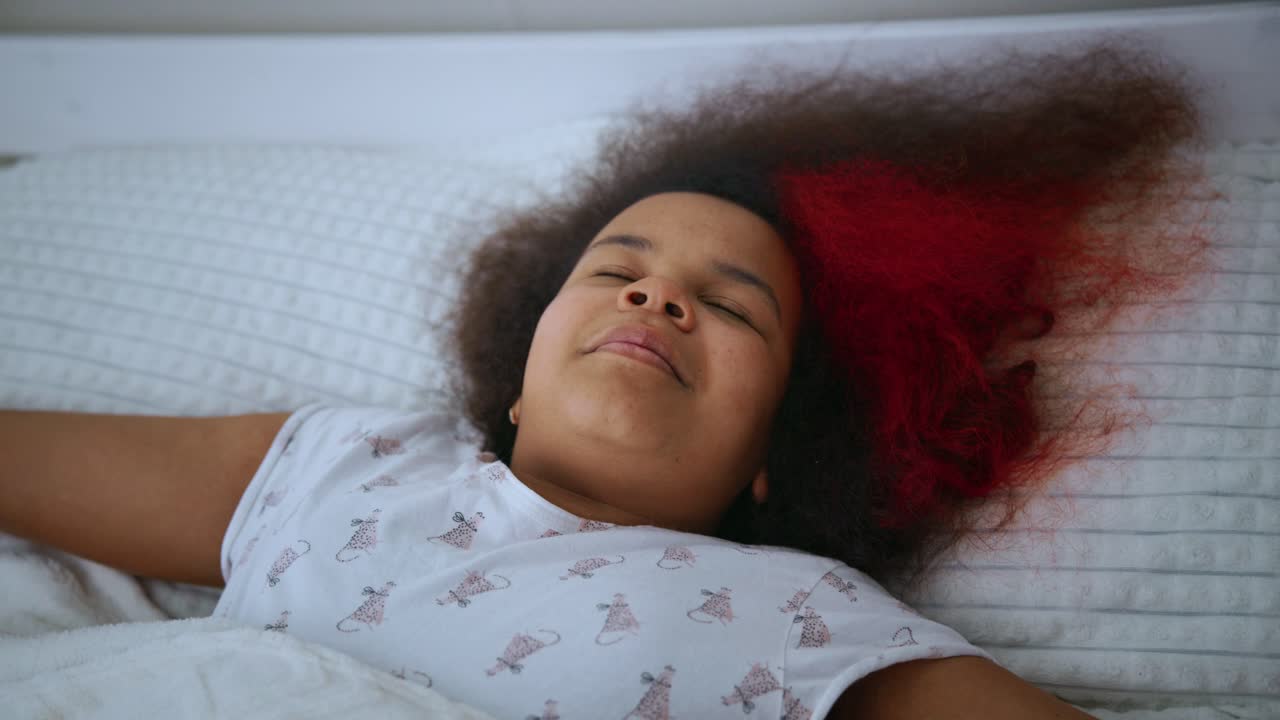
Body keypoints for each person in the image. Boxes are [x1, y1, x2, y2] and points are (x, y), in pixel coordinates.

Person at [2, 36, 1218, 720]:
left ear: (770, 460)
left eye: (732, 304)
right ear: (515, 374)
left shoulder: (806, 619)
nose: (657, 297)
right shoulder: (345, 462)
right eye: (615, 270)